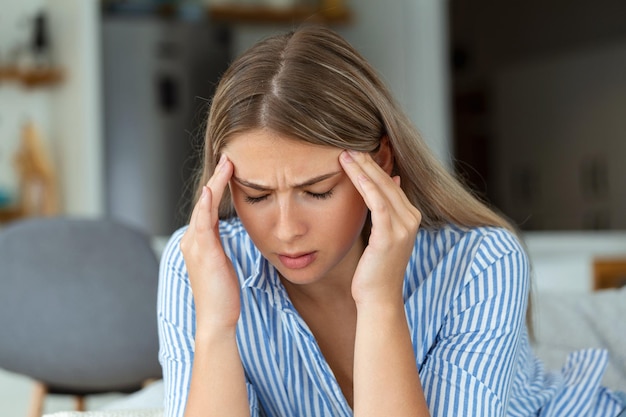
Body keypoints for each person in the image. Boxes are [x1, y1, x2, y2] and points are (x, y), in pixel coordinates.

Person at [157, 25, 626, 417]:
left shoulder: (480, 262)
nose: (285, 229)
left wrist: (380, 300)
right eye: (256, 195)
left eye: (317, 191)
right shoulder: (198, 263)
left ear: (379, 163)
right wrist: (217, 323)